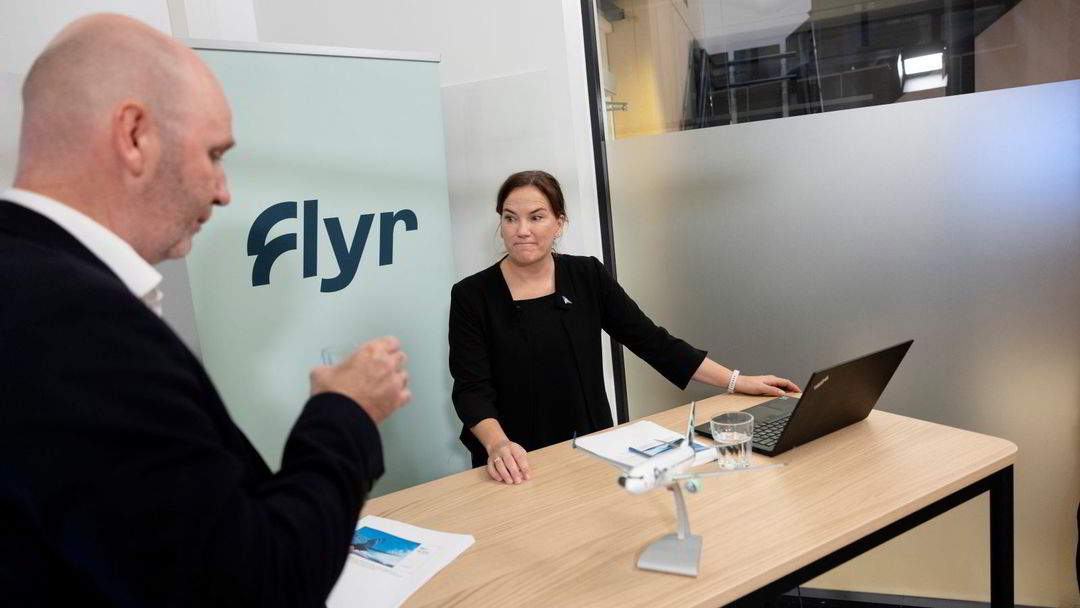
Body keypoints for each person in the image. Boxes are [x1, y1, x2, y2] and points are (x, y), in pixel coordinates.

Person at [0, 14, 410, 606]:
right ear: (134, 135)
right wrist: (346, 411)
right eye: (214, 154)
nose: (223, 191)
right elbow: (252, 586)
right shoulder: (76, 325)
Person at [449, 170, 799, 484]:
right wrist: (497, 445)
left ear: (560, 224)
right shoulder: (472, 295)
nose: (522, 230)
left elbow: (652, 341)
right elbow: (471, 390)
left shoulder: (586, 275)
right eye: (510, 218)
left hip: (590, 449)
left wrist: (738, 381)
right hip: (515, 463)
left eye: (536, 217)